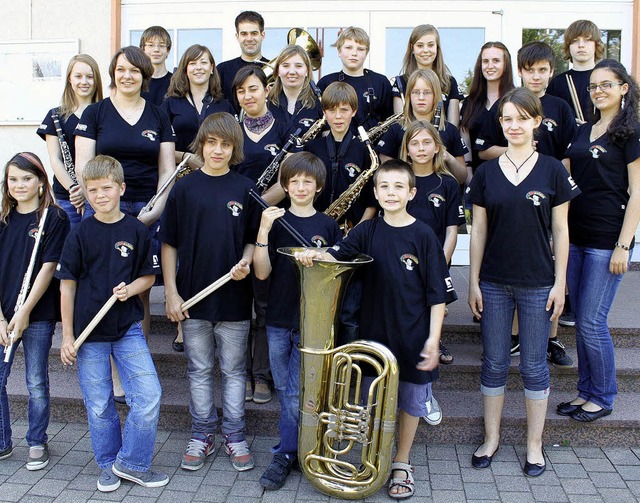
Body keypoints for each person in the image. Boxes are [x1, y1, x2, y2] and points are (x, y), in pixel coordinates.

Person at [295, 159, 457, 499]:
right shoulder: (366, 231)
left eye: (399, 186)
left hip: (413, 335)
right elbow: (335, 255)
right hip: (372, 336)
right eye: (384, 186)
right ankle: (373, 457)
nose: (391, 193)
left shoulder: (424, 235)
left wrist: (433, 339)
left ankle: (401, 461)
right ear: (376, 191)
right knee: (373, 401)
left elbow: (438, 296)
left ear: (412, 192)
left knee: (412, 403)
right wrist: (313, 254)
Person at [467, 88, 579, 477]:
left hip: (537, 283)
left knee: (534, 367)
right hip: (494, 282)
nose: (513, 125)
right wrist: (473, 282)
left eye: (521, 118)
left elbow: (561, 231)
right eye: (506, 119)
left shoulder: (553, 170)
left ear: (537, 122)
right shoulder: (484, 173)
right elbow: (477, 231)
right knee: (494, 363)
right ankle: (491, 438)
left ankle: (534, 445)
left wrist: (560, 282)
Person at [58, 155, 167, 492]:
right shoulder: (80, 234)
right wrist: (67, 335)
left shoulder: (136, 229)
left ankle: (131, 463)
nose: (100, 195)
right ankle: (107, 464)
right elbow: (67, 285)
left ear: (121, 187)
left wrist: (129, 290)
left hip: (127, 328)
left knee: (148, 396)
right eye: (92, 190)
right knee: (99, 403)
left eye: (106, 188)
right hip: (88, 334)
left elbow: (148, 278)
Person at [160, 112, 259, 472]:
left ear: (235, 148)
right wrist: (171, 293)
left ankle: (234, 435)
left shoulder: (245, 188)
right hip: (192, 300)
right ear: (201, 144)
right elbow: (168, 245)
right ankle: (202, 434)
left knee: (234, 371)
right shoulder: (184, 189)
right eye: (212, 142)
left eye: (226, 144)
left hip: (234, 300)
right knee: (199, 369)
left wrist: (246, 260)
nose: (218, 150)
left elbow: (252, 239)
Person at [253, 152, 341, 490]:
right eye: (294, 181)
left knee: (296, 394)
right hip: (277, 317)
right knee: (286, 389)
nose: (301, 187)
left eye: (307, 181)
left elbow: (335, 273)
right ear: (285, 186)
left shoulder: (328, 226)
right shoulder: (274, 222)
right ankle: (300, 449)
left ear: (318, 186)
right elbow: (262, 272)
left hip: (313, 320)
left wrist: (319, 258)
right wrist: (263, 228)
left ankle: (287, 452)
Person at [558, 59, 640, 422]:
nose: (598, 91)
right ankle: (585, 391)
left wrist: (625, 244)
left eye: (606, 84)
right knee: (581, 321)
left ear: (624, 88)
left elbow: (637, 193)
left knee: (592, 320)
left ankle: (604, 396)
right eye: (593, 86)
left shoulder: (632, 132)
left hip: (608, 241)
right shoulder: (583, 130)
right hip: (576, 237)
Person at [0, 153, 69, 471]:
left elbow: (48, 267)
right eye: (13, 179)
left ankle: (37, 441)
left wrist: (25, 310)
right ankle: (3, 441)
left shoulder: (53, 218)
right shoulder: (2, 217)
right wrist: (1, 317)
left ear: (41, 181)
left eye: (26, 178)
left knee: (36, 381)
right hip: (3, 314)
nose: (19, 185)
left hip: (37, 313)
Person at [512, 41, 577, 366]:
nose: (535, 76)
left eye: (542, 70)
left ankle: (551, 340)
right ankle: (514, 336)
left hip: (548, 195)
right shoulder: (513, 104)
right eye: (529, 70)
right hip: (516, 193)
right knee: (512, 265)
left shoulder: (560, 107)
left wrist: (557, 191)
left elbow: (566, 156)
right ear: (520, 71)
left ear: (551, 72)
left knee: (552, 263)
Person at [233, 65, 292, 404]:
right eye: (241, 91)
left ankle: (261, 375)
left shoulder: (284, 125)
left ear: (266, 89)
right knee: (239, 303)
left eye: (253, 89)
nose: (248, 96)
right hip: (237, 226)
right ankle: (239, 372)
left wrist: (254, 205)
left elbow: (289, 180)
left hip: (272, 223)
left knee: (266, 303)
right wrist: (241, 210)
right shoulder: (232, 127)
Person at [400, 120, 464, 404]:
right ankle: (404, 386)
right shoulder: (399, 179)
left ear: (437, 147)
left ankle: (425, 392)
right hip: (400, 266)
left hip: (434, 265)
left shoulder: (447, 182)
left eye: (427, 142)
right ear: (407, 149)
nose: (421, 148)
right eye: (415, 143)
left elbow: (452, 231)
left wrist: (439, 266)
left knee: (430, 323)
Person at [37, 54, 103, 229]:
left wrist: (86, 190)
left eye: (90, 77)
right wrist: (75, 189)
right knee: (69, 250)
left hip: (100, 194)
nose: (84, 82)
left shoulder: (106, 113)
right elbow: (55, 159)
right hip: (68, 196)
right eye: (78, 76)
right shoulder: (55, 116)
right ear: (69, 79)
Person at [378, 69, 467, 183]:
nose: (421, 97)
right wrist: (404, 167)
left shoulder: (449, 129)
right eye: (415, 92)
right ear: (409, 96)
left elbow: (462, 178)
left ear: (436, 96)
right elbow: (384, 162)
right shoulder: (396, 129)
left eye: (427, 92)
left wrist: (448, 157)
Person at [162, 44, 234, 175]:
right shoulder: (170, 103)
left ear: (211, 68)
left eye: (204, 62)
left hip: (217, 175)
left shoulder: (224, 106)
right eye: (193, 63)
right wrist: (186, 158)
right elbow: (158, 145)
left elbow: (234, 144)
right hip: (179, 176)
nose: (199, 67)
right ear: (185, 70)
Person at [317, 27, 393, 131]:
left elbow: (390, 121)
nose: (354, 53)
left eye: (360, 49)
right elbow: (322, 124)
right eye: (348, 48)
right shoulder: (326, 83)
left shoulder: (381, 82)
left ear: (366, 53)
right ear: (339, 51)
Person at [460, 42, 515, 178]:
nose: (490, 66)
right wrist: (468, 174)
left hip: (510, 176)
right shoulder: (470, 102)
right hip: (477, 177)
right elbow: (465, 139)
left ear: (506, 64)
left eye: (496, 61)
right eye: (485, 61)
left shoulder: (516, 100)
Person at [392, 24, 463, 126]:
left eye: (430, 45)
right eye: (420, 45)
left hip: (442, 140)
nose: (425, 50)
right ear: (412, 48)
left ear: (437, 47)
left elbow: (453, 126)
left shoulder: (449, 82)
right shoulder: (400, 82)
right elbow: (400, 125)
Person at [547, 19, 603, 125]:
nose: (581, 45)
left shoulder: (606, 79)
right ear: (568, 46)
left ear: (596, 45)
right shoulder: (558, 83)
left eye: (587, 40)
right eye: (575, 40)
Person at [268, 44, 323, 139]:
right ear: (277, 71)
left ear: (307, 71)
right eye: (286, 66)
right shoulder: (267, 104)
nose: (292, 72)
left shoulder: (319, 103)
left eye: (298, 66)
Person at [217, 11, 270, 104]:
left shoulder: (275, 69)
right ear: (237, 36)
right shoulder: (222, 70)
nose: (249, 39)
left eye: (254, 33)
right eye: (244, 34)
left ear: (263, 35)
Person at [140, 25, 173, 106]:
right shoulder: (137, 80)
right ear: (143, 49)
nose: (156, 50)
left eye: (161, 45)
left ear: (168, 50)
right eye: (151, 45)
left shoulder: (176, 82)